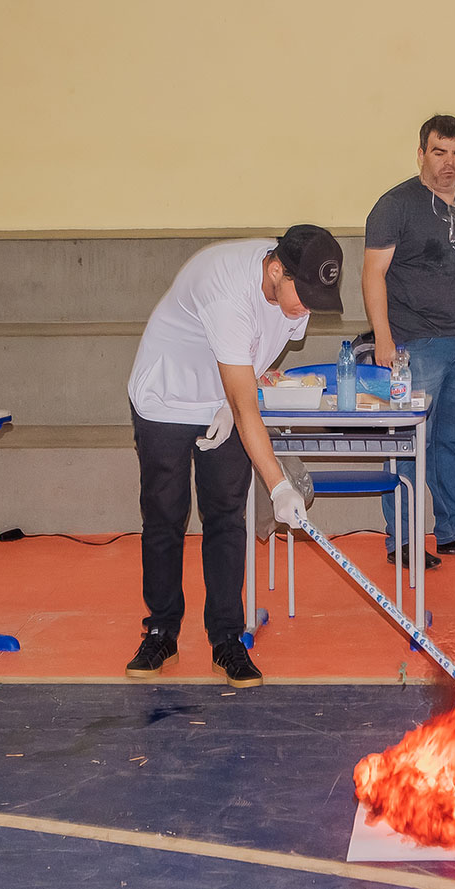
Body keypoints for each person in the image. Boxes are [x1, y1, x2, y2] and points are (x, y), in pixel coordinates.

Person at [125, 225, 344, 687]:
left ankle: (226, 638)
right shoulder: (228, 290)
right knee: (165, 513)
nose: (305, 307)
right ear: (275, 269)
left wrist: (228, 399)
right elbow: (248, 409)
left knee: (226, 514)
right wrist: (279, 484)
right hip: (166, 395)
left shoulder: (294, 292)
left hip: (222, 397)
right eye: (301, 294)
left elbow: (261, 355)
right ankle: (161, 630)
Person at [362, 115, 455, 571]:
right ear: (421, 153)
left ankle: (452, 530)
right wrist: (384, 341)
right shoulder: (395, 205)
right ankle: (402, 539)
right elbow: (373, 274)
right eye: (439, 152)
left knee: (448, 440)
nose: (449, 163)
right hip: (414, 345)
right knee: (406, 443)